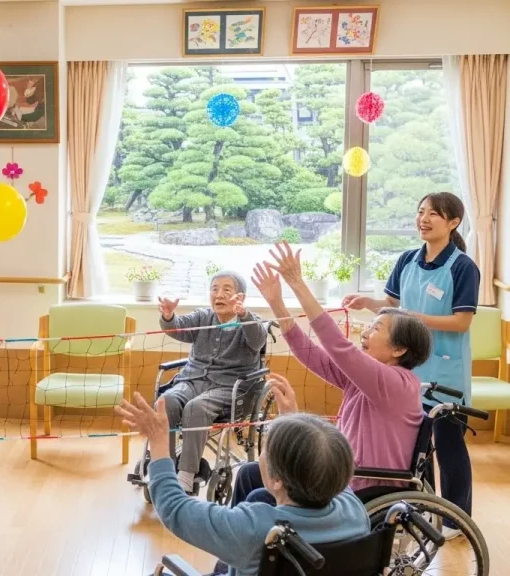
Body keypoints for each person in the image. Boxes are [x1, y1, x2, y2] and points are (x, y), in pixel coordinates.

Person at [229, 243, 429, 507]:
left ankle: (256, 530)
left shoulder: (397, 384)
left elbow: (338, 346)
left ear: (399, 349)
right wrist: (276, 303)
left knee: (260, 495)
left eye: (376, 329)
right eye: (369, 326)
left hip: (360, 489)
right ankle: (240, 532)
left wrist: (297, 283)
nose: (365, 333)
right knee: (249, 474)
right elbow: (309, 354)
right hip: (339, 476)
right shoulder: (364, 381)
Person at [342, 192, 480, 538]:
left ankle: (456, 519)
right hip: (407, 372)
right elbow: (391, 302)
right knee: (414, 449)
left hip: (445, 372)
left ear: (453, 222)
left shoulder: (463, 267)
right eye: (420, 212)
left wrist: (411, 317)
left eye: (433, 214)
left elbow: (462, 321)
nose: (424, 219)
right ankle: (420, 508)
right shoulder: (407, 259)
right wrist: (368, 302)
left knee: (448, 447)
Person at [116, 393, 368, 576]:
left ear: (277, 480)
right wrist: (294, 427)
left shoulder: (253, 529)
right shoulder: (355, 511)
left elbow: (174, 508)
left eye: (265, 450)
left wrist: (159, 441)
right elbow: (323, 465)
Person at [156, 271, 269, 494]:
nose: (219, 294)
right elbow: (177, 327)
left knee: (196, 408)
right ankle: (166, 467)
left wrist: (244, 315)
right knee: (166, 401)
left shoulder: (251, 321)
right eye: (214, 289)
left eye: (227, 289)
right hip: (192, 379)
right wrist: (168, 316)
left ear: (240, 296)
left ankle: (186, 475)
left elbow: (257, 341)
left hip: (229, 387)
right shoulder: (203, 317)